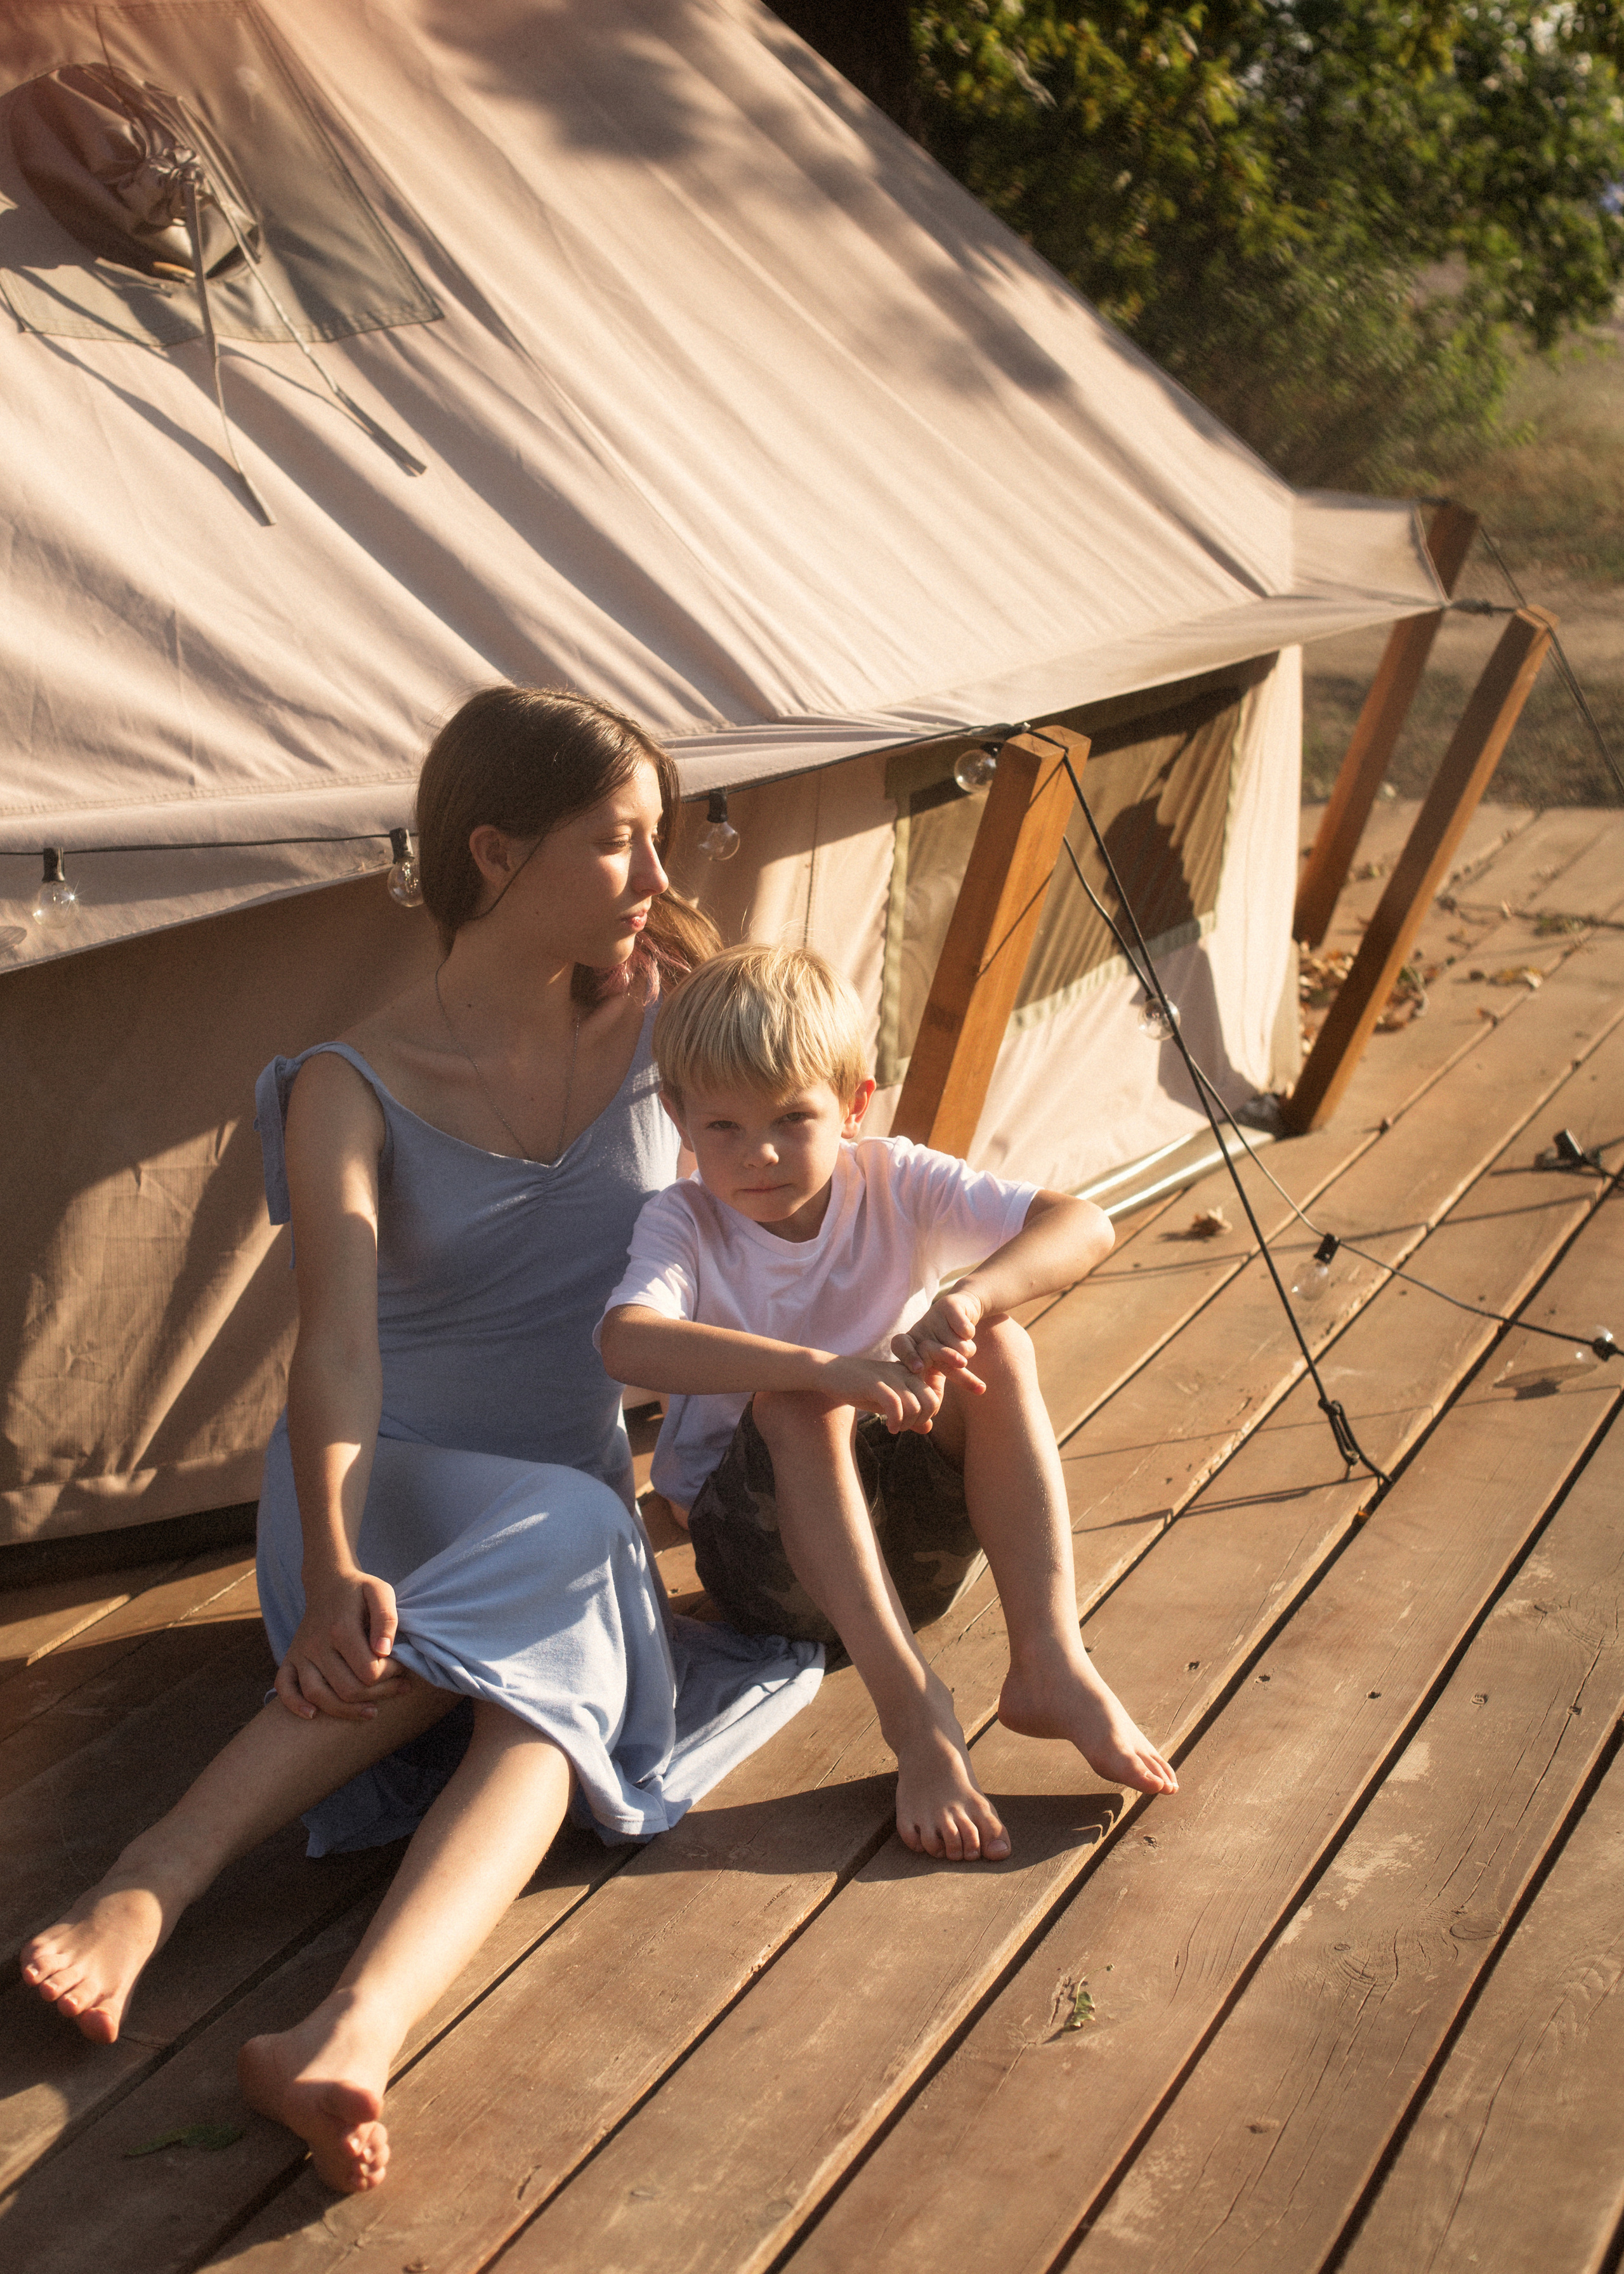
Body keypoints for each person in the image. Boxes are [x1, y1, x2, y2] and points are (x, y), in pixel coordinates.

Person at [19, 690, 822, 2194]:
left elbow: (831, 1134)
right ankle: (152, 1879)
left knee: (561, 1663)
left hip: (564, 1508)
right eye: (620, 844)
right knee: (580, 1557)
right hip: (378, 1494)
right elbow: (329, 1350)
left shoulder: (672, 1027)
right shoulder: (347, 1084)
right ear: (497, 852)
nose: (658, 880)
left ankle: (352, 2031)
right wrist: (328, 1566)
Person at [598, 943, 1178, 1866]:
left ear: (855, 1104)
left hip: (913, 1563)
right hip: (767, 1574)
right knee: (796, 1404)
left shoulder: (893, 1180)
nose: (760, 1155)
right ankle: (917, 1718)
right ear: (678, 1119)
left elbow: (1086, 1223)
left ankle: (1051, 1659)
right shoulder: (686, 1222)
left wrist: (973, 1295)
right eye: (724, 1129)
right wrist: (827, 1369)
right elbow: (626, 1339)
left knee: (1002, 1344)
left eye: (794, 1118)